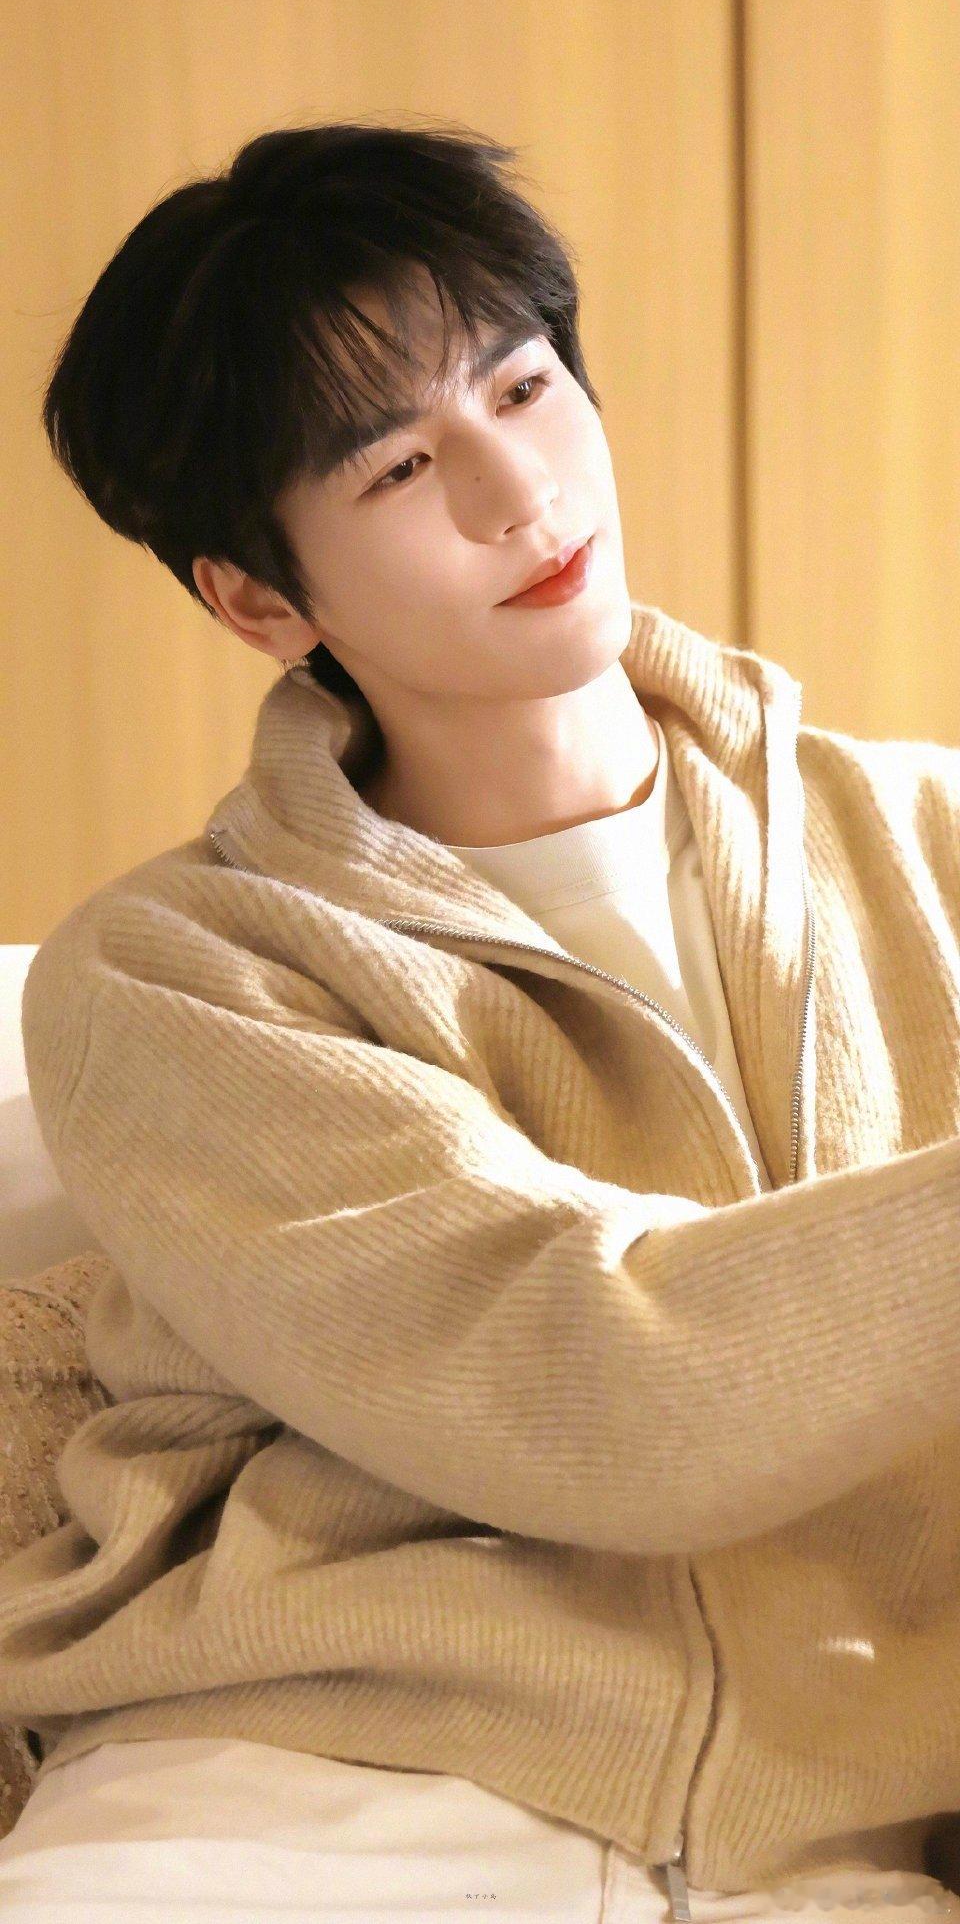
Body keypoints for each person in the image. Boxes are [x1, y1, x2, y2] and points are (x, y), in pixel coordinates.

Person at [2, 119, 960, 1922]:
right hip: (305, 1797)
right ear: (256, 598)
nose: (520, 492)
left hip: (817, 1832)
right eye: (396, 467)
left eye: (524, 386)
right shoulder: (172, 975)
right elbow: (596, 1383)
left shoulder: (930, 847)